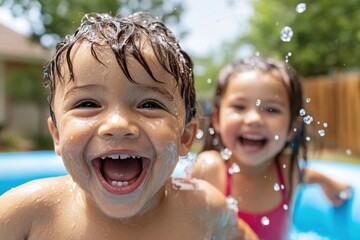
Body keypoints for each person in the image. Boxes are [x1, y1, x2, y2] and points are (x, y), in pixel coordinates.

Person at [0, 12, 258, 240]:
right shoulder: (28, 213)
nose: (118, 124)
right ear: (57, 134)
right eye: (88, 104)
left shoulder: (204, 208)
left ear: (185, 137)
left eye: (149, 105)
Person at [192, 56, 351, 240]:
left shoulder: (286, 171)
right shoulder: (210, 169)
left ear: (293, 127)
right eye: (239, 107)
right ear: (217, 119)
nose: (253, 119)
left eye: (271, 110)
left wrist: (330, 185)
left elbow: (306, 175)